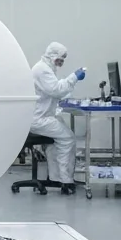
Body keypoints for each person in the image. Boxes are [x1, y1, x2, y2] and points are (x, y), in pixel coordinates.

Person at [29, 42, 85, 195]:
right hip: (39, 119)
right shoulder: (42, 70)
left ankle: (58, 178)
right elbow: (56, 90)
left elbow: (54, 90)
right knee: (68, 138)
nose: (61, 63)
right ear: (52, 56)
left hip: (42, 116)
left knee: (57, 141)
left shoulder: (46, 68)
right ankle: (66, 181)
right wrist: (74, 77)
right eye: (60, 59)